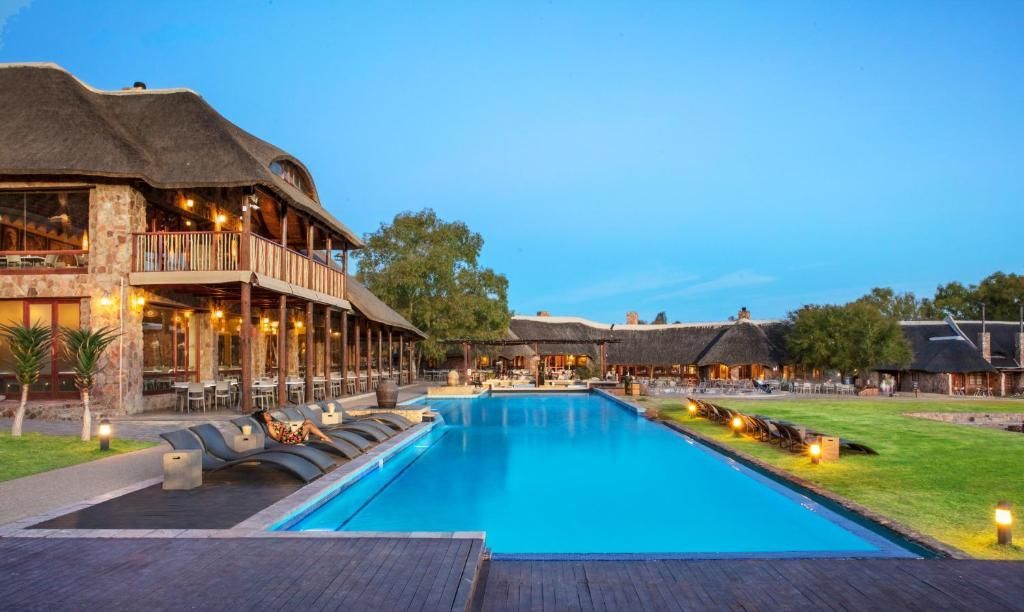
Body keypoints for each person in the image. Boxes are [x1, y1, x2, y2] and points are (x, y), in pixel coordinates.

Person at [252, 409, 332, 445]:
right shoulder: (269, 426)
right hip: (289, 440)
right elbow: (277, 438)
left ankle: (321, 436)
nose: (269, 415)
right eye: (266, 415)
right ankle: (326, 438)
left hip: (292, 435)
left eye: (268, 413)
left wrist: (286, 427)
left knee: (308, 421)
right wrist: (282, 429)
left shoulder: (273, 422)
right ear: (263, 418)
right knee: (309, 426)